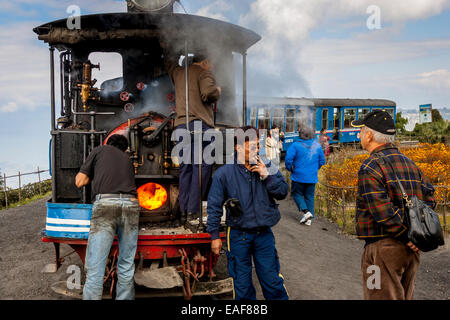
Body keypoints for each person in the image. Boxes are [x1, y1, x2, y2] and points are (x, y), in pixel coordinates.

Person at [351, 110, 436, 300]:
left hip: (382, 249)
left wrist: (408, 237)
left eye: (362, 130)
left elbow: (384, 212)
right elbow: (430, 198)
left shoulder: (370, 167)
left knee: (377, 296)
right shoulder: (410, 164)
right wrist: (417, 236)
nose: (360, 135)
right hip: (411, 252)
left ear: (370, 135)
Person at [206, 126, 289, 300]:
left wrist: (267, 176)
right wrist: (214, 236)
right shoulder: (224, 174)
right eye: (251, 146)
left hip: (263, 235)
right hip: (237, 235)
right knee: (242, 287)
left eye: (258, 146)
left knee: (272, 281)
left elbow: (282, 192)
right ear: (237, 147)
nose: (256, 150)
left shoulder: (266, 165)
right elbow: (214, 206)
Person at [75, 134, 139, 300]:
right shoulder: (128, 159)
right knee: (126, 264)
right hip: (131, 205)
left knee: (96, 265)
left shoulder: (99, 150)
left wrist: (93, 174)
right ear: (124, 149)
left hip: (106, 205)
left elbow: (80, 182)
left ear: (107, 143)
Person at [163, 46, 221, 223]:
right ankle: (193, 211)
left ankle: (182, 211)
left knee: (186, 169)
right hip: (200, 126)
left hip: (180, 127)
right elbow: (208, 93)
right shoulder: (204, 73)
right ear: (206, 62)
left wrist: (169, 49)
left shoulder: (179, 73)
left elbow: (169, 64)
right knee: (201, 169)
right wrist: (218, 90)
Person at [285, 126, 325, 226]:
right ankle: (309, 220)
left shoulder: (295, 145)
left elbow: (288, 160)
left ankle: (306, 212)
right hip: (312, 177)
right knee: (309, 197)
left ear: (301, 135)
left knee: (296, 193)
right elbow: (322, 161)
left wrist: (290, 168)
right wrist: (314, 169)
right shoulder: (317, 146)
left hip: (298, 176)